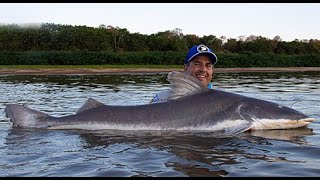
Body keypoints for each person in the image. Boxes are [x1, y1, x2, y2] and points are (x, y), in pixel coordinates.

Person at [150, 44, 218, 103]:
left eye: (208, 65)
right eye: (197, 64)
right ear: (186, 68)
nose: (203, 69)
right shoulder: (161, 98)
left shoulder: (221, 99)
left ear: (212, 70)